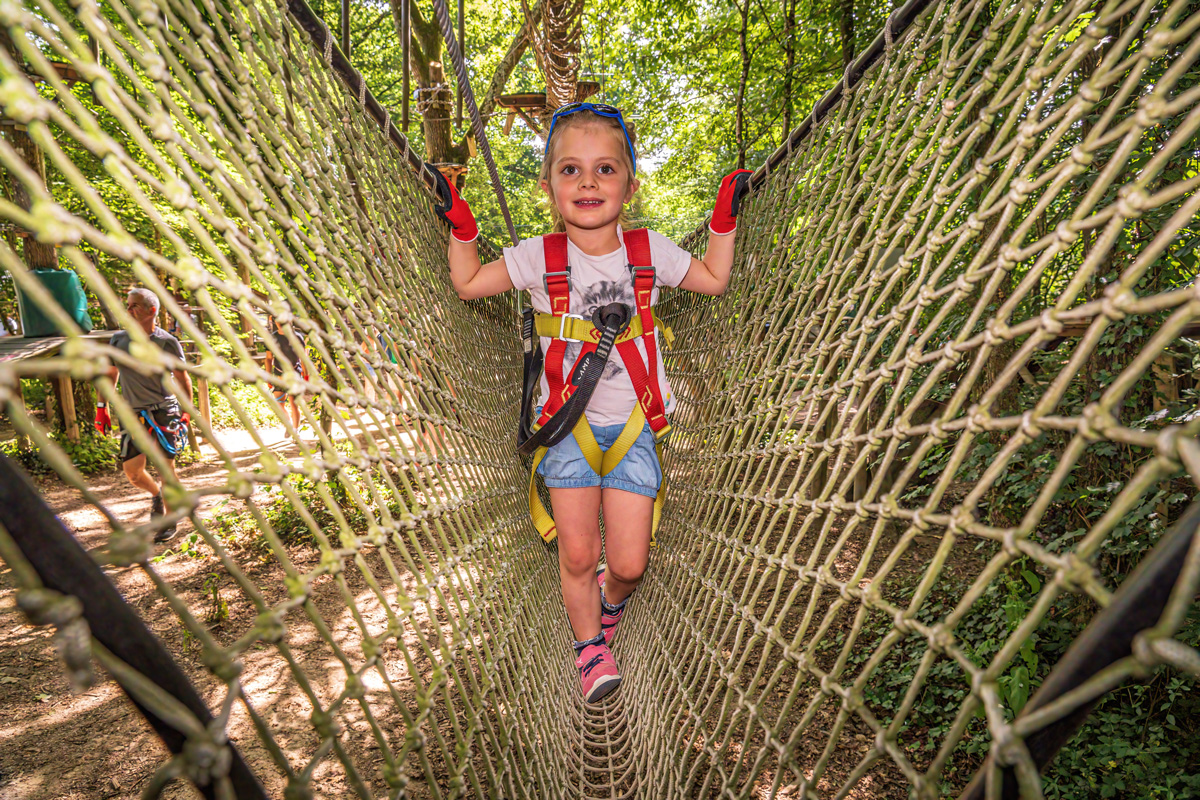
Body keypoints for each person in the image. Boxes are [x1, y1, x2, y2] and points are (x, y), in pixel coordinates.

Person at [430, 102, 750, 702]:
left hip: (634, 426)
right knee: (578, 551)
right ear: (549, 187)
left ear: (630, 185)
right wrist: (463, 229)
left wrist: (723, 225)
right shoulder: (537, 257)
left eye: (605, 169)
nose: (588, 183)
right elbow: (469, 283)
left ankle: (609, 604)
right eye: (570, 170)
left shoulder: (649, 249)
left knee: (627, 564)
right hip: (566, 429)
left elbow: (713, 279)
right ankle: (589, 650)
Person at [94, 288, 192, 543]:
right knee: (133, 473)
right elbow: (110, 374)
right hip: (131, 414)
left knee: (165, 469)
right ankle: (157, 495)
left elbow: (182, 377)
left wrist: (187, 413)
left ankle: (170, 522)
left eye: (134, 305)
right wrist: (101, 408)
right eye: (127, 305)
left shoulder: (166, 342)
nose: (128, 310)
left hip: (163, 412)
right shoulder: (118, 340)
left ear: (152, 311)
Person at [262, 316, 307, 430]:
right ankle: (289, 425)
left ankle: (295, 432)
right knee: (278, 405)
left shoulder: (297, 337)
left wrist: (306, 376)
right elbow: (268, 358)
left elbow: (303, 358)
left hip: (295, 374)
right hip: (279, 375)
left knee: (293, 404)